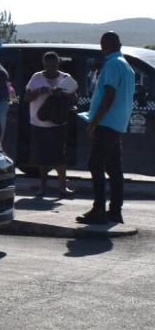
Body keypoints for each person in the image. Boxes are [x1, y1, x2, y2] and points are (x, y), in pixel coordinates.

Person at [77, 32, 135, 225]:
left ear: (104, 45)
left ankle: (99, 209)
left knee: (95, 164)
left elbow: (109, 95)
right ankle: (115, 211)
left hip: (106, 123)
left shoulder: (111, 64)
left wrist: (94, 123)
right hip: (117, 123)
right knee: (114, 168)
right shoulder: (126, 65)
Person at [24, 51, 77, 198]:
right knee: (43, 158)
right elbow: (27, 97)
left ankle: (62, 187)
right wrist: (39, 91)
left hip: (59, 122)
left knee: (59, 156)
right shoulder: (36, 77)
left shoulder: (65, 78)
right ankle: (43, 187)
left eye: (53, 65)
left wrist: (63, 93)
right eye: (47, 66)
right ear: (43, 65)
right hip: (39, 123)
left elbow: (74, 99)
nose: (50, 69)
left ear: (58, 64)